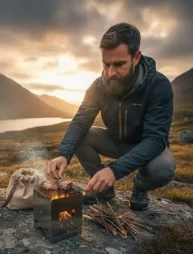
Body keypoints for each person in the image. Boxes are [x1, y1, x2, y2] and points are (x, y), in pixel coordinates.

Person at [47, 22, 176, 211]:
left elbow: (156, 139)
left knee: (162, 170)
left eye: (118, 64)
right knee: (81, 136)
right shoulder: (98, 86)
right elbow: (79, 123)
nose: (110, 72)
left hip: (147, 146)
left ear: (136, 57)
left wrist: (114, 170)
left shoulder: (159, 85)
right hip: (116, 141)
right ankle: (104, 189)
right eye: (106, 64)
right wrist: (63, 155)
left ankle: (140, 187)